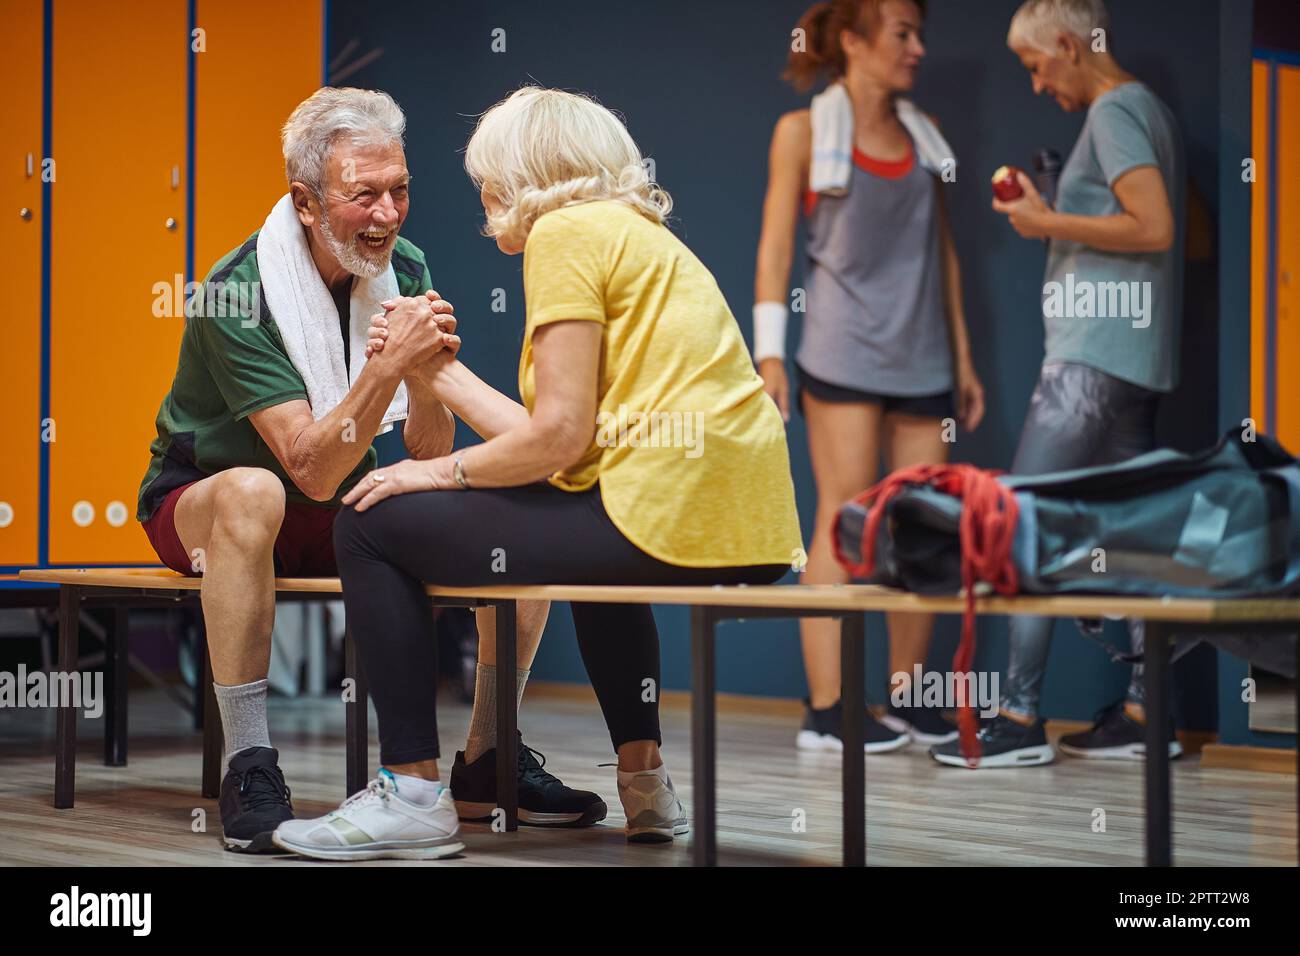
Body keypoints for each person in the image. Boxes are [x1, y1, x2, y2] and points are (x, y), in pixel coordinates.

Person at [270, 86, 803, 861]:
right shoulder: (639, 236)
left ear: (520, 174)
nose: (481, 193)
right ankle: (645, 784)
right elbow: (568, 445)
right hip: (744, 526)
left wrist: (437, 472)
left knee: (369, 521)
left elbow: (555, 438)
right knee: (584, 543)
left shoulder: (565, 235)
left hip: (662, 509)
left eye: (485, 173)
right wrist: (432, 372)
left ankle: (413, 794)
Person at [136, 86, 601, 852]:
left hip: (335, 504)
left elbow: (425, 448)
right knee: (256, 492)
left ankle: (488, 759)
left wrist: (425, 376)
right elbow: (308, 470)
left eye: (401, 191)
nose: (387, 215)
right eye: (365, 196)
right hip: (209, 508)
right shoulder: (233, 293)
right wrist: (390, 366)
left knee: (509, 510)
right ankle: (249, 762)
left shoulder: (404, 265)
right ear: (307, 203)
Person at [931, 0, 1186, 768]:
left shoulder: (1114, 114)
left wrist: (1048, 225)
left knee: (1022, 519)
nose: (1037, 84)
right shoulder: (1153, 114)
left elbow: (1158, 227)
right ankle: (1148, 713)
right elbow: (1180, 231)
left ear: (1070, 47)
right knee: (1134, 536)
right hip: (1136, 363)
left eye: (1036, 65)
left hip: (1089, 362)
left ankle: (1017, 718)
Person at [753, 0, 984, 754]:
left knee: (921, 527)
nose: (916, 48)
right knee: (843, 515)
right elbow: (776, 248)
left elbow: (943, 250)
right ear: (853, 41)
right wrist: (770, 354)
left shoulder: (926, 137)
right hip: (840, 350)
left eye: (921, 35)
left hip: (922, 355)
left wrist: (964, 357)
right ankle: (828, 708)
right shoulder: (803, 131)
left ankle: (905, 701)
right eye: (902, 34)